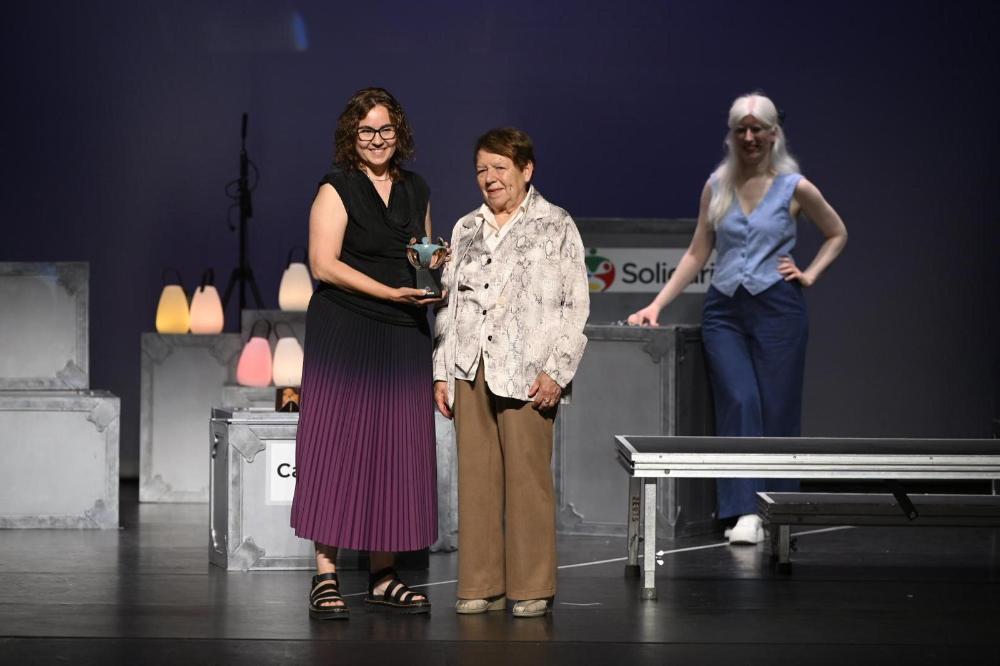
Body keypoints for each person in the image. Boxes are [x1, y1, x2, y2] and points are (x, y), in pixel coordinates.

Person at [628, 92, 848, 545]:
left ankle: (778, 508)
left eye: (758, 129)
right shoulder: (717, 185)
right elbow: (698, 250)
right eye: (740, 130)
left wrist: (809, 273)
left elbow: (836, 232)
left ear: (774, 133)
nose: (749, 137)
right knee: (739, 401)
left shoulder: (795, 187)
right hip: (725, 309)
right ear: (731, 135)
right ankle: (743, 510)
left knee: (778, 410)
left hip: (778, 309)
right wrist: (656, 304)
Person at [290, 87, 441, 619]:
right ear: (351, 137)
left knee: (396, 451)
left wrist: (433, 280)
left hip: (402, 332)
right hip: (347, 329)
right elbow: (323, 264)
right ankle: (326, 574)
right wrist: (389, 292)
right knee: (336, 445)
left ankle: (383, 575)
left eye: (386, 130)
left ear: (399, 134)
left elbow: (422, 259)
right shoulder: (337, 188)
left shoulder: (416, 188)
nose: (377, 140)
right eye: (366, 132)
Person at [432, 127, 590, 617]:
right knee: (475, 480)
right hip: (470, 365)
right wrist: (442, 370)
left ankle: (531, 586)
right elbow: (448, 305)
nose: (489, 178)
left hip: (529, 371)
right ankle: (480, 581)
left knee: (527, 481)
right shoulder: (465, 229)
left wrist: (557, 372)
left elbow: (575, 304)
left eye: (499, 167)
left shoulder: (555, 224)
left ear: (526, 170)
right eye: (481, 169)